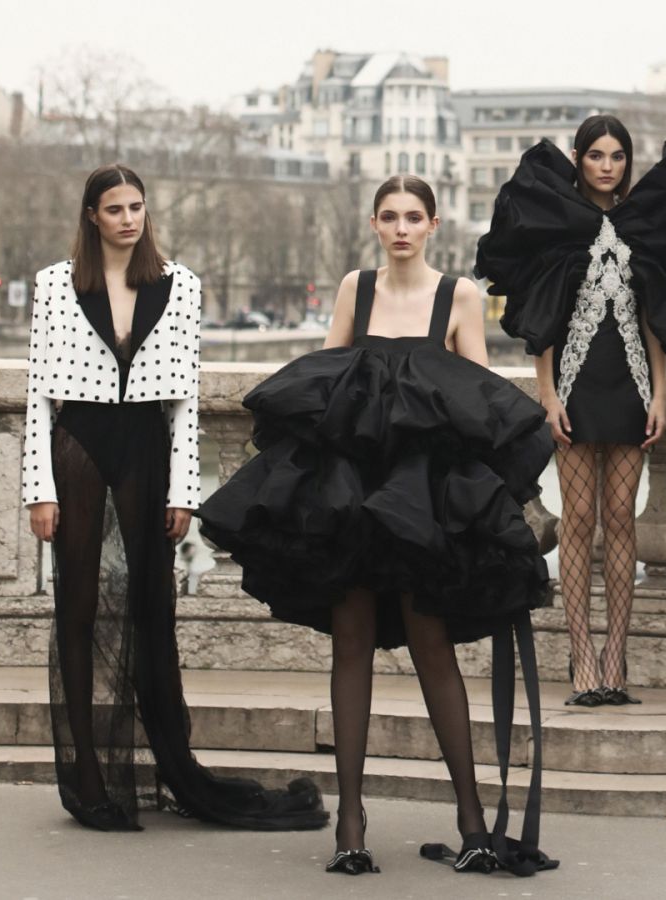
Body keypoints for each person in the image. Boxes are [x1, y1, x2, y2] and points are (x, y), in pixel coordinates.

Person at [198, 175, 558, 875]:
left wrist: (491, 499)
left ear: (432, 224)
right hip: (352, 495)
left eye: (412, 217)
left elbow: (478, 398)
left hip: (422, 498)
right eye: (389, 216)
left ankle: (473, 820)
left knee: (431, 646)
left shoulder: (458, 294)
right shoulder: (353, 289)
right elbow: (321, 382)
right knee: (352, 642)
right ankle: (351, 823)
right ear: (374, 223)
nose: (400, 228)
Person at [23, 163, 327, 832]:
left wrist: (186, 490)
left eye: (137, 206)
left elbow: (186, 402)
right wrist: (38, 492)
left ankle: (168, 765)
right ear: (92, 216)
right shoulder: (53, 285)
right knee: (76, 606)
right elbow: (39, 398)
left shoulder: (180, 286)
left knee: (150, 608)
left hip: (145, 445)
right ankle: (90, 778)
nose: (129, 218)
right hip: (78, 438)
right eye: (115, 208)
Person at [474, 114, 666, 707]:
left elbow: (654, 319)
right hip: (575, 389)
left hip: (632, 384)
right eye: (596, 156)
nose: (607, 166)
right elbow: (543, 320)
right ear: (580, 159)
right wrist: (548, 395)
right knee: (579, 521)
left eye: (617, 157)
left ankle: (617, 658)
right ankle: (581, 655)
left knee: (622, 522)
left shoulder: (641, 226)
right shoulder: (562, 226)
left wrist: (661, 393)